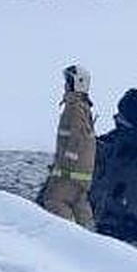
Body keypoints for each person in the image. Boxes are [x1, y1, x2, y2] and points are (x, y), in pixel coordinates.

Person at [39, 64, 97, 230]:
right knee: (79, 206)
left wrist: (65, 164)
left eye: (68, 82)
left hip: (70, 172)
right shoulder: (83, 107)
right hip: (81, 175)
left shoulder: (74, 107)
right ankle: (93, 242)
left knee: (55, 201)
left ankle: (66, 242)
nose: (65, 86)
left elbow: (77, 137)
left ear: (77, 83)